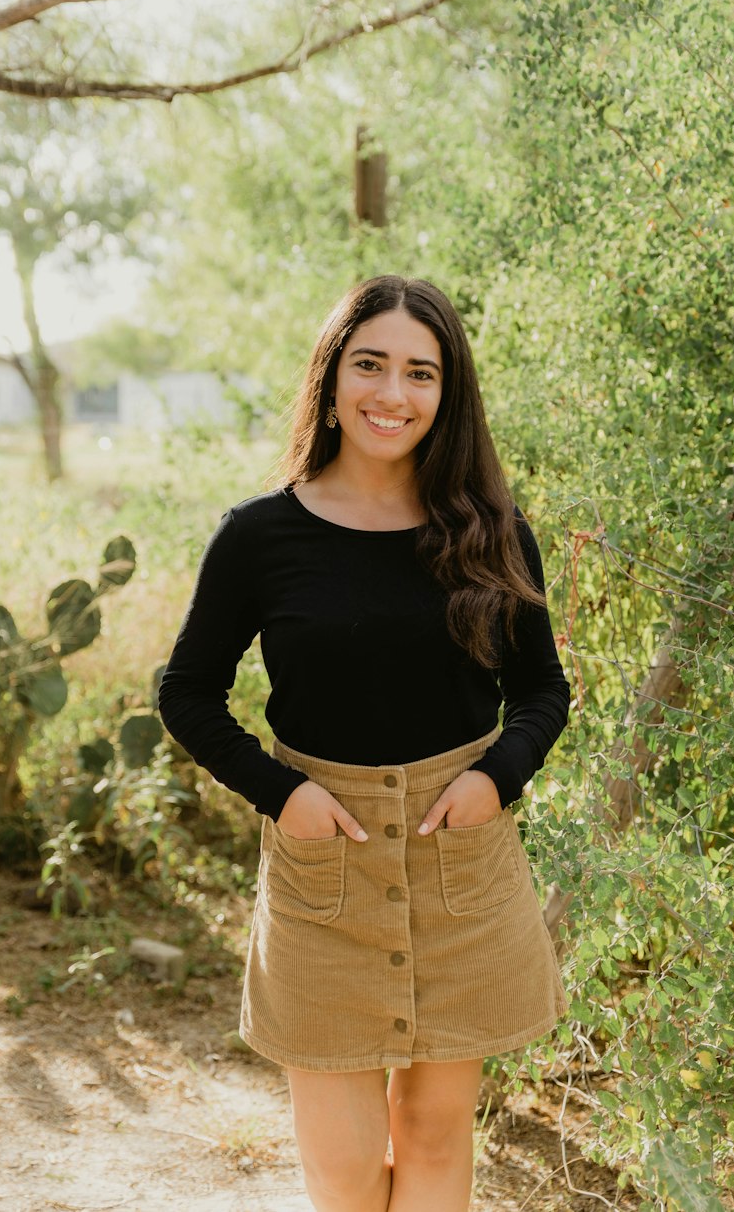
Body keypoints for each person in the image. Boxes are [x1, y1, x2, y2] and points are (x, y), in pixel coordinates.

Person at [158, 274, 571, 1212]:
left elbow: (543, 690)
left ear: (448, 392)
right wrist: (283, 794)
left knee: (432, 1137)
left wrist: (495, 778)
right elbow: (186, 692)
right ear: (332, 379)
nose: (393, 394)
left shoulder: (493, 532)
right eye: (370, 365)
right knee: (344, 1172)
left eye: (419, 373)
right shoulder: (261, 536)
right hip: (323, 864)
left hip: (456, 853)